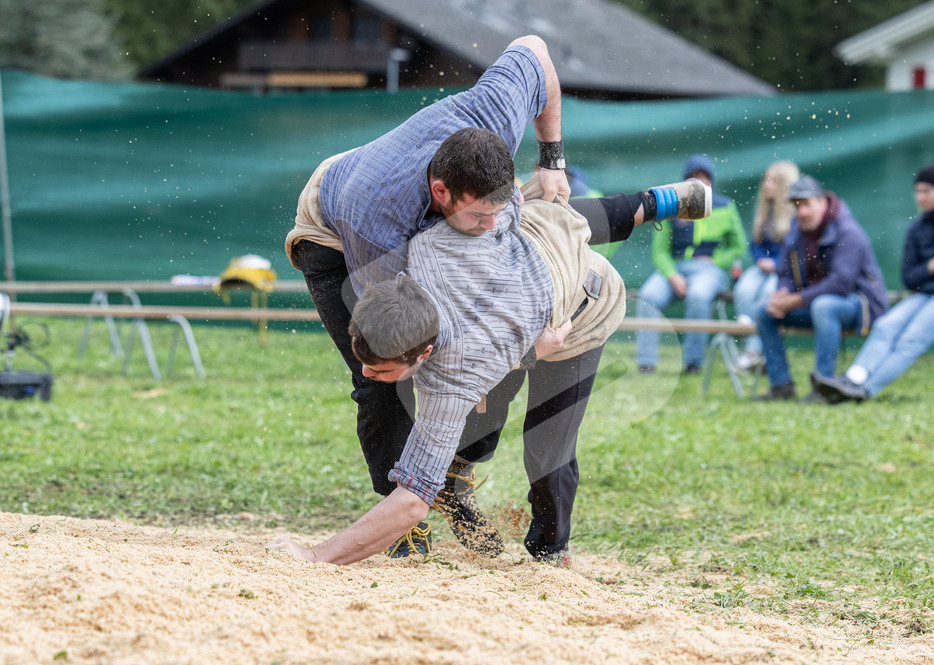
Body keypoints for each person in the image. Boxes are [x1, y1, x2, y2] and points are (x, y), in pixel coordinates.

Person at [266, 143, 711, 566]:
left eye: (379, 367)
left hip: (579, 312)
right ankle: (653, 203)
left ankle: (551, 554)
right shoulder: (426, 246)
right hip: (530, 255)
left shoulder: (465, 366)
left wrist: (315, 556)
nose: (364, 372)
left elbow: (410, 504)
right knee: (555, 211)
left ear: (423, 353)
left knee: (547, 450)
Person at [283, 36, 571, 559]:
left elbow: (535, 49)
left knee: (487, 357)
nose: (489, 228)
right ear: (441, 193)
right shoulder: (378, 229)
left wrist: (551, 156)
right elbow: (401, 341)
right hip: (333, 229)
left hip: (405, 200)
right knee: (379, 375)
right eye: (478, 217)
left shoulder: (492, 117)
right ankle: (403, 522)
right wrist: (464, 377)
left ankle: (452, 477)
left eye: (496, 213)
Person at [811, 160, 934, 403]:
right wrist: (932, 265)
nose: (920, 197)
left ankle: (865, 390)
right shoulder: (917, 229)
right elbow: (909, 279)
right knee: (886, 325)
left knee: (910, 338)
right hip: (928, 296)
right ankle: (852, 379)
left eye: (928, 191)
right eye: (918, 191)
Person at [754, 174, 889, 402]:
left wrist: (795, 300)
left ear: (822, 201)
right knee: (763, 312)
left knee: (823, 306)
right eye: (797, 206)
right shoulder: (796, 230)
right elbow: (786, 272)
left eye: (806, 204)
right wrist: (782, 294)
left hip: (860, 306)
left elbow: (840, 284)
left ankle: (823, 387)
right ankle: (781, 386)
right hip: (814, 302)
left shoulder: (848, 231)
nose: (802, 212)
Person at [634, 154, 746, 375]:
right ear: (685, 183)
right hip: (675, 268)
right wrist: (672, 275)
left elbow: (738, 246)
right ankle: (646, 363)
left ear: (711, 182)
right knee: (648, 296)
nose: (699, 183)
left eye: (704, 178)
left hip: (709, 271)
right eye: (694, 178)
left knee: (698, 295)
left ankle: (693, 363)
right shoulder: (672, 208)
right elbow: (659, 251)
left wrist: (716, 261)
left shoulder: (725, 206)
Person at [732, 160, 800, 371]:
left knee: (769, 293)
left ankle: (753, 354)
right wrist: (762, 259)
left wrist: (777, 263)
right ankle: (750, 343)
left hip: (786, 272)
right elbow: (756, 243)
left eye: (772, 181)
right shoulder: (764, 211)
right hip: (763, 268)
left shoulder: (798, 215)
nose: (766, 185)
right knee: (743, 288)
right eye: (765, 180)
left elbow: (796, 251)